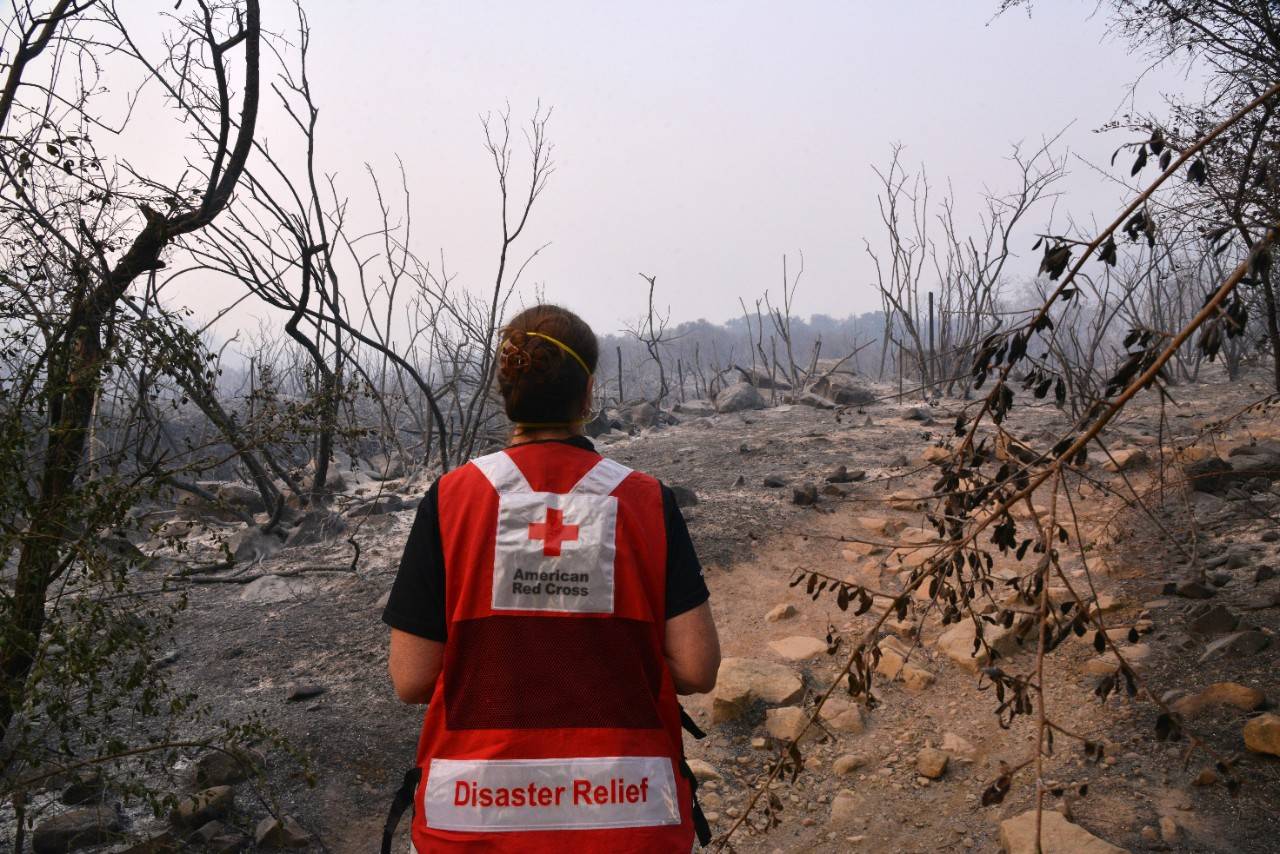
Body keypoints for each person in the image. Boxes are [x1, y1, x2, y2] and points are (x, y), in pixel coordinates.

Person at [382, 304, 721, 852]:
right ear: (587, 395)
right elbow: (697, 668)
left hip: (473, 821)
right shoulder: (644, 501)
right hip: (629, 817)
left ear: (506, 392)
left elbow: (412, 679)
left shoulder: (450, 500)